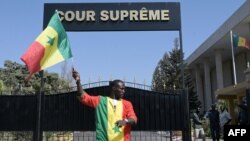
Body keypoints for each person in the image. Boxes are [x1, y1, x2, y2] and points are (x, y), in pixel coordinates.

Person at [72, 69, 137, 141]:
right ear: (114, 88)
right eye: (121, 89)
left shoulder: (127, 104)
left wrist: (125, 121)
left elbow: (134, 119)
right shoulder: (100, 101)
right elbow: (83, 97)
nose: (123, 91)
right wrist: (78, 81)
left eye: (124, 89)